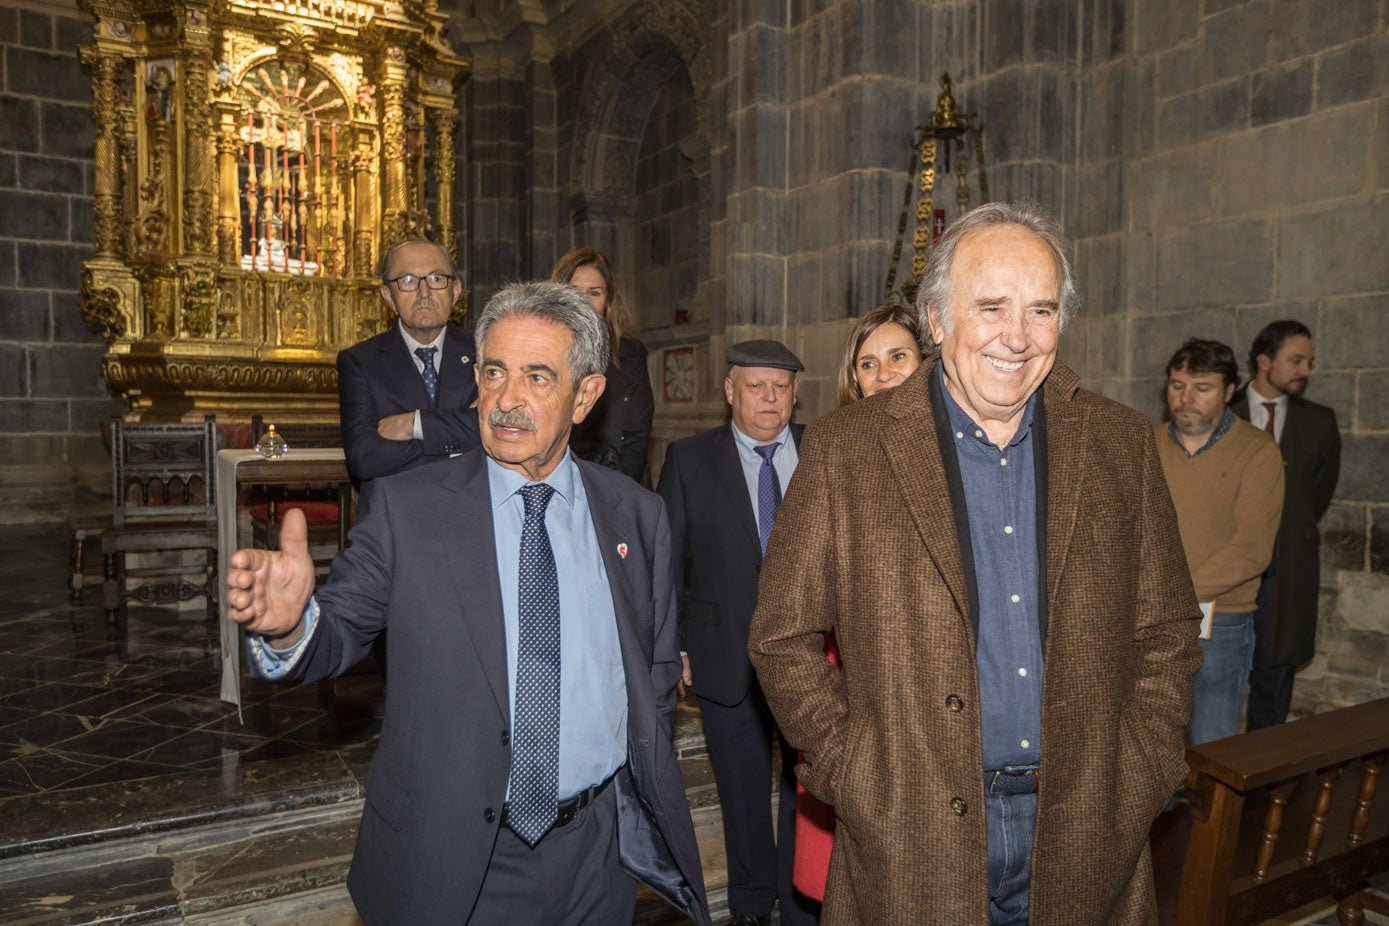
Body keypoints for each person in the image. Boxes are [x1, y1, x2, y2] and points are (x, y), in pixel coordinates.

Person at [748, 202, 1202, 924]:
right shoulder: (847, 450)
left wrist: (1140, 768)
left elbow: (1168, 627)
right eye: (990, 307)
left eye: (1041, 310)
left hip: (1088, 830)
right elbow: (781, 636)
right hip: (909, 837)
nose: (1017, 338)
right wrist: (852, 770)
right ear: (936, 321)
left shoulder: (1118, 444)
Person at [226, 281, 710, 926]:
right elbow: (339, 627)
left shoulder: (636, 515)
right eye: (494, 372)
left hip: (600, 856)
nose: (507, 400)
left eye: (538, 377)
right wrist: (291, 628)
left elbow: (650, 669)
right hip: (458, 858)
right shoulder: (408, 507)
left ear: (586, 396)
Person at [657, 340, 817, 926]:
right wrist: (671, 644)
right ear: (731, 392)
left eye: (781, 387)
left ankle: (802, 900)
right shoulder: (690, 458)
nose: (770, 398)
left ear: (795, 393)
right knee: (742, 788)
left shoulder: (822, 449)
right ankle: (751, 900)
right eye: (756, 386)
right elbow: (665, 560)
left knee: (809, 787)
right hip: (723, 650)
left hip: (813, 654)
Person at [795, 302, 926, 904]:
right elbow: (790, 617)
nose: (884, 374)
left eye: (898, 356)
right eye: (867, 364)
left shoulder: (972, 454)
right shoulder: (833, 456)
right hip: (863, 688)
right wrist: (837, 742)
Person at [1156, 338, 1284, 745]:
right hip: (1149, 618)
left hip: (1221, 617)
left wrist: (1172, 595)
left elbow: (1252, 549)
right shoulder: (1146, 443)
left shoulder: (1258, 451)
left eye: (1202, 388)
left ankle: (1209, 813)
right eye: (1177, 386)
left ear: (1230, 391)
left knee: (1213, 741)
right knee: (1151, 736)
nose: (1186, 398)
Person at [1232, 321, 1341, 729]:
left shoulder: (1320, 422)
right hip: (1227, 566)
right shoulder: (1225, 412)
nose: (1305, 370)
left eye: (1309, 362)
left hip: (1290, 567)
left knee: (1276, 674)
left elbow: (1317, 495)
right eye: (1296, 360)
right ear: (1264, 361)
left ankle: (1264, 774)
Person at [336, 238, 480, 482]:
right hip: (396, 511)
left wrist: (415, 424)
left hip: (474, 507)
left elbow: (498, 430)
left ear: (455, 291)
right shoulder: (360, 362)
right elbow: (364, 457)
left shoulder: (484, 351)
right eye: (408, 281)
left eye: (436, 279)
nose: (424, 293)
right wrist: (460, 443)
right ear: (388, 296)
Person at [550, 246, 654, 484]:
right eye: (574, 291)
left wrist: (615, 497)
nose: (584, 302)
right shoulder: (537, 351)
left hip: (614, 481)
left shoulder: (630, 354)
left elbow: (637, 436)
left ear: (607, 300)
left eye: (594, 293)